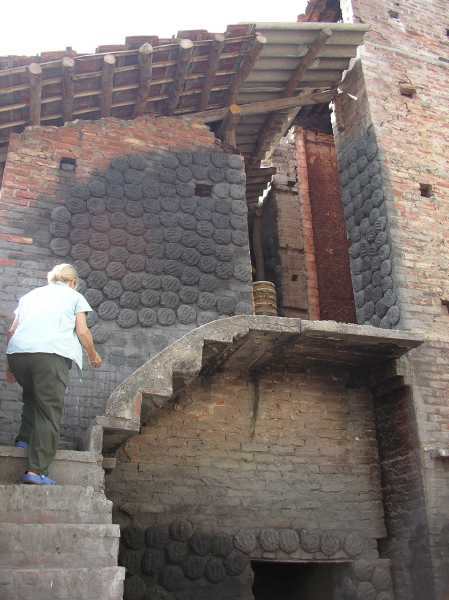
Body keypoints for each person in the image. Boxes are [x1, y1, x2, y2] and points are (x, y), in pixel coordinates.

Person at [6, 263, 102, 485]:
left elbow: (12, 331)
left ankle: (23, 441)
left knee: (32, 397)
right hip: (50, 356)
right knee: (49, 411)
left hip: (18, 354)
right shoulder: (74, 296)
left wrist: (9, 367)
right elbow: (82, 331)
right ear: (73, 282)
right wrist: (93, 355)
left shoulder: (30, 296)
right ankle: (35, 471)